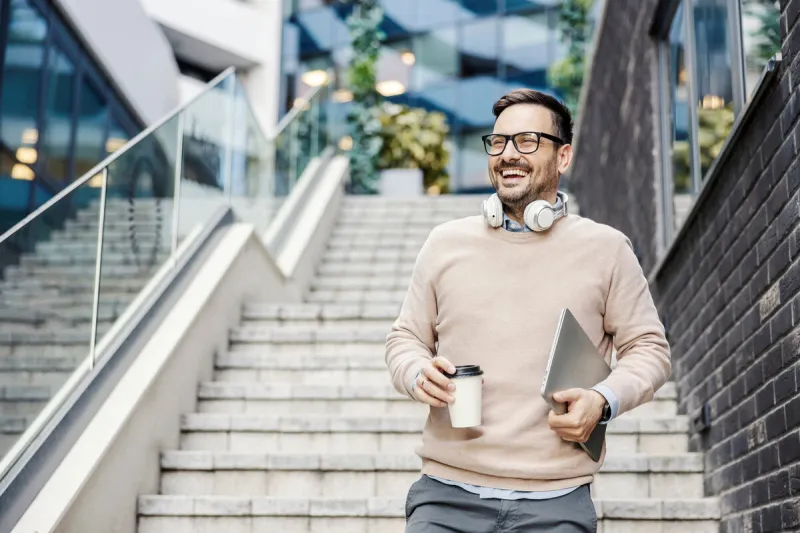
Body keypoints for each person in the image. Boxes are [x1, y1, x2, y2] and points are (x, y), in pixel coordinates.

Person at [384, 88, 671, 533]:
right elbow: (405, 339)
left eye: (527, 141)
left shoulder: (607, 249)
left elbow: (649, 349)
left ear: (564, 157)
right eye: (498, 142)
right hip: (445, 497)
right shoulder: (445, 243)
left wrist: (602, 400)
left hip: (556, 503)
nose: (508, 154)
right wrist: (417, 371)